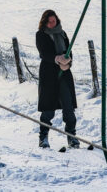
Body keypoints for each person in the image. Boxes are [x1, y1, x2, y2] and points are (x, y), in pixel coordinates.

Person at [35, 9, 80, 150]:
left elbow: (69, 51)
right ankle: (43, 138)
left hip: (64, 74)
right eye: (49, 21)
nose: (52, 23)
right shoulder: (41, 35)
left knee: (68, 107)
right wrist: (56, 59)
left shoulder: (62, 33)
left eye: (54, 21)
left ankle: (72, 138)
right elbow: (44, 53)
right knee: (48, 108)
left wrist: (68, 63)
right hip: (49, 75)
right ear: (44, 22)